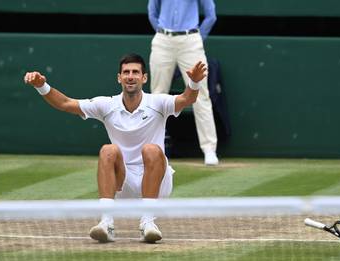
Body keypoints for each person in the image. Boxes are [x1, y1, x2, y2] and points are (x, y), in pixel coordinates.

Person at [23, 53, 207, 243]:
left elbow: (187, 99)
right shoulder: (107, 105)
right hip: (122, 182)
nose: (130, 76)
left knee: (151, 150)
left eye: (135, 72)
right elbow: (65, 103)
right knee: (108, 150)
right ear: (119, 78)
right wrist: (41, 86)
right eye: (126, 72)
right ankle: (106, 223)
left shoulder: (158, 103)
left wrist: (193, 83)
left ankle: (148, 222)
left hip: (158, 182)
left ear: (144, 78)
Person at [148, 0, 219, 165]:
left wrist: (196, 38)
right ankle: (153, 148)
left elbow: (211, 14)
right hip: (162, 40)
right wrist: (161, 33)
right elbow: (152, 11)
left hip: (191, 40)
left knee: (201, 95)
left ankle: (209, 150)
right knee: (157, 96)